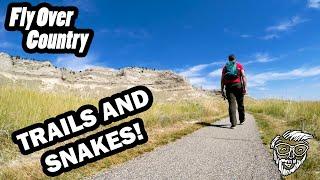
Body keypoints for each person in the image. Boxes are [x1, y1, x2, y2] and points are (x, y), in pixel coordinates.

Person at [221, 54, 247, 129]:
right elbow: (243, 76)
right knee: (240, 103)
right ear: (235, 59)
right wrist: (245, 87)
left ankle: (233, 123)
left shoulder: (225, 67)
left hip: (229, 87)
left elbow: (222, 79)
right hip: (238, 85)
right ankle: (242, 119)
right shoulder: (239, 65)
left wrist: (222, 89)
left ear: (228, 59)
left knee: (231, 104)